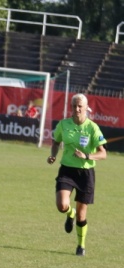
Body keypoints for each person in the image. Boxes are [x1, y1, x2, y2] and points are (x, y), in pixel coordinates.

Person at [47, 93, 106, 257]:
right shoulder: (63, 124)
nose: (77, 109)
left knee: (82, 214)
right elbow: (56, 142)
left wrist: (87, 156)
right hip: (67, 170)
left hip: (85, 174)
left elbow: (103, 154)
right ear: (71, 107)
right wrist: (53, 155)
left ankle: (81, 246)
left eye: (80, 106)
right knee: (61, 205)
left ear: (86, 108)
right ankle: (69, 213)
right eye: (74, 106)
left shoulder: (92, 128)